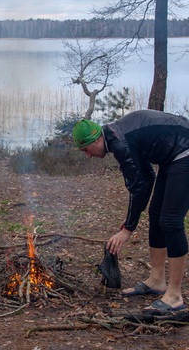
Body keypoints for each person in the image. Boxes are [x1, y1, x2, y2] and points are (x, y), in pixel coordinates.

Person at [73, 109, 189, 314]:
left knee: (171, 221)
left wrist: (127, 229)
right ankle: (156, 280)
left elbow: (138, 187)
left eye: (86, 149)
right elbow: (146, 178)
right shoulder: (118, 137)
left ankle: (174, 296)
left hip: (184, 150)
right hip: (172, 156)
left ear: (96, 138)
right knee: (156, 214)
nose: (88, 155)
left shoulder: (120, 143)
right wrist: (129, 222)